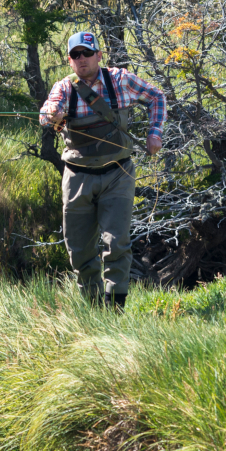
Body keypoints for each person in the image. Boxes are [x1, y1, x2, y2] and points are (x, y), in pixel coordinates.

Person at [39, 31, 166, 309]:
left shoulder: (120, 80)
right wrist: (53, 115)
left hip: (118, 173)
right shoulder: (64, 88)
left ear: (99, 55)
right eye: (76, 55)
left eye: (87, 53)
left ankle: (115, 309)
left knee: (116, 243)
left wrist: (154, 134)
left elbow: (157, 97)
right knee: (79, 249)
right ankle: (93, 307)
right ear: (70, 61)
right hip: (76, 176)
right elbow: (46, 113)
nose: (81, 59)